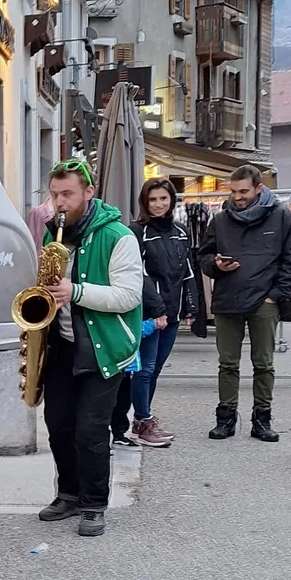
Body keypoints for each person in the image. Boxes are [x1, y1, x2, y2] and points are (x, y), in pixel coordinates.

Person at [35, 160, 144, 538]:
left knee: (91, 430)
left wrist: (76, 292)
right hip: (64, 344)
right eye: (54, 194)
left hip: (104, 347)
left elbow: (129, 296)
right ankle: (68, 494)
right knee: (58, 425)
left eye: (67, 194)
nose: (59, 203)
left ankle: (94, 503)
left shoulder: (119, 236)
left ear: (88, 194)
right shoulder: (55, 237)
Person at [198, 164, 291, 441]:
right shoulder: (220, 220)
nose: (238, 197)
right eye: (233, 191)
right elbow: (204, 257)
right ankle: (226, 418)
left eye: (243, 191)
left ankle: (262, 419)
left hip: (264, 302)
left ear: (259, 188)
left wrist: (275, 295)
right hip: (228, 299)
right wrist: (217, 266)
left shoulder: (282, 217)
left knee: (264, 363)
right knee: (228, 364)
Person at [127, 176, 196, 447]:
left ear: (171, 200)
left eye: (163, 198)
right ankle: (142, 421)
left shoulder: (181, 231)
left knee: (155, 370)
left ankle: (142, 421)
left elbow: (187, 271)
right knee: (144, 368)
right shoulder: (136, 232)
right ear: (145, 202)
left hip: (173, 312)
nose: (158, 204)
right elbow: (139, 274)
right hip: (150, 313)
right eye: (153, 199)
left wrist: (192, 306)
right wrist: (157, 310)